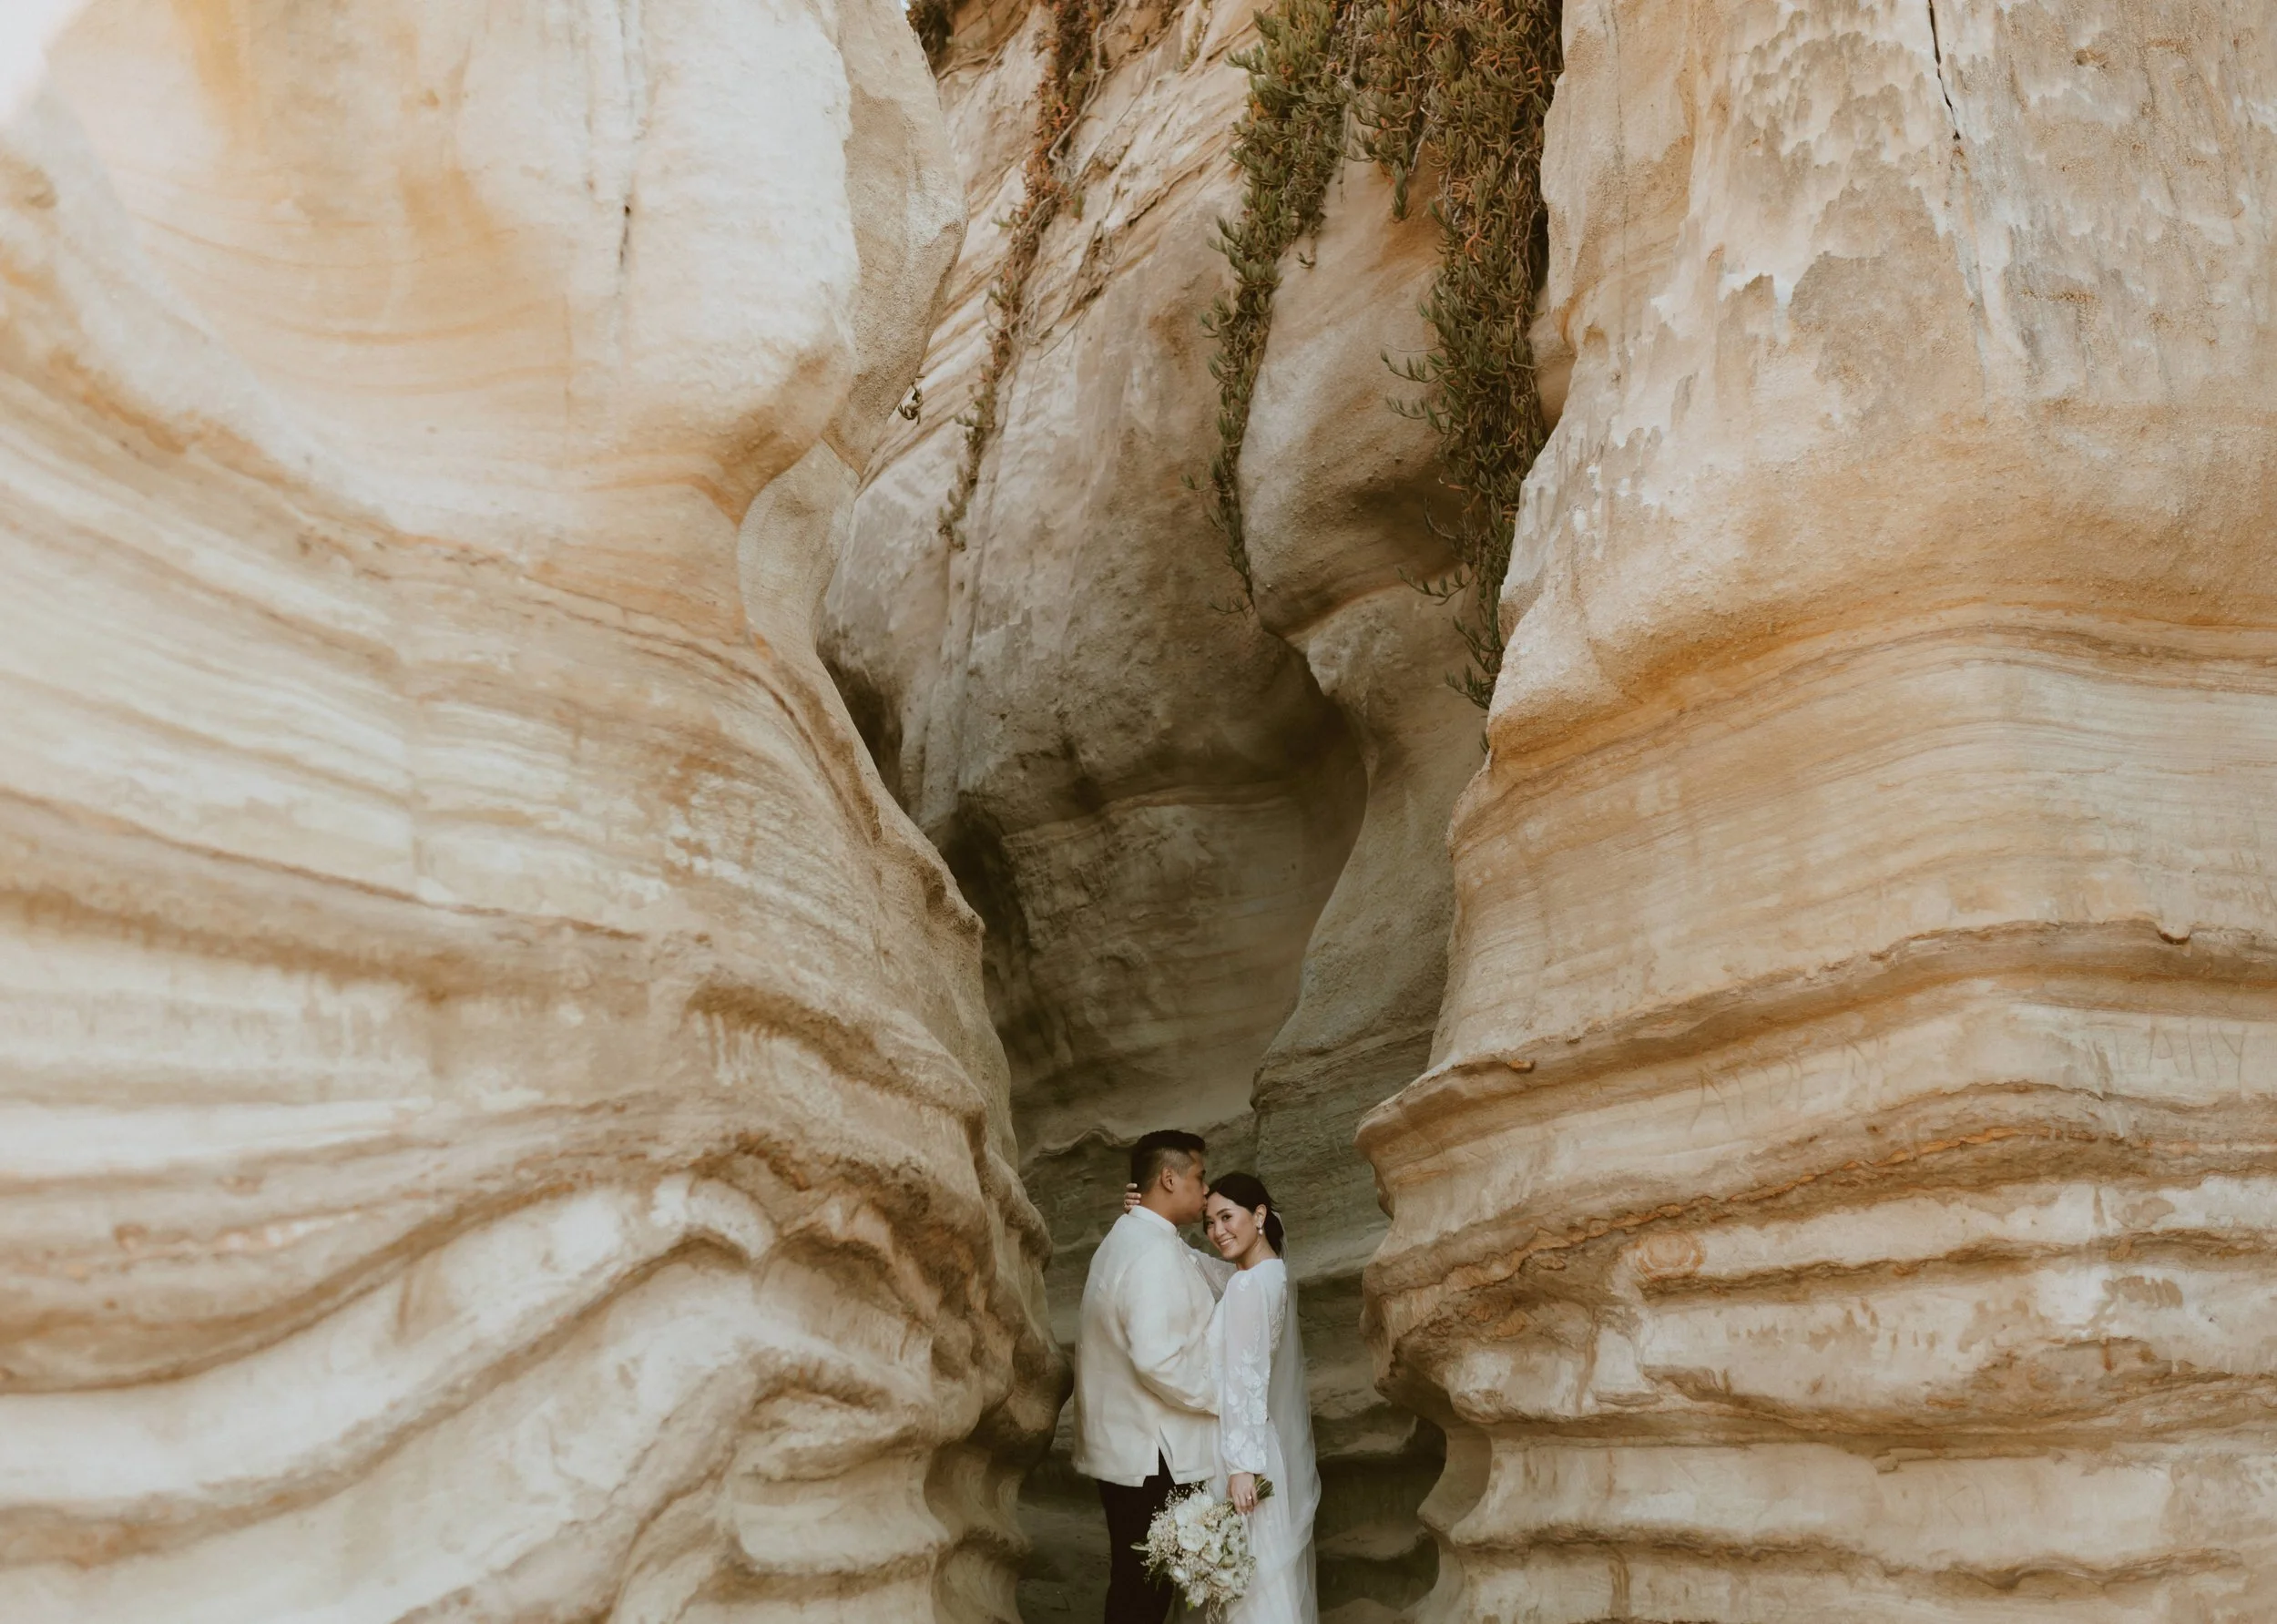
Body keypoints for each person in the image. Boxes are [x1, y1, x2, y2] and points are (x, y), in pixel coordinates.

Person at [1075, 1130, 1220, 1624]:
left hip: (1133, 1448)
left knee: (1140, 1587)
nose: (1205, 1191)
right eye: (1200, 1177)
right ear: (1168, 1177)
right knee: (1144, 1593)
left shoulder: (1136, 1237)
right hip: (1152, 1455)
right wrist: (1221, 1396)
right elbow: (1157, 1359)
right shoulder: (1151, 1252)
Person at [1203, 1172, 1319, 1624]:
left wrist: (1240, 1468)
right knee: (1261, 1589)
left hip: (1244, 1455)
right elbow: (1205, 1265)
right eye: (1209, 1223)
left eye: (1226, 1217)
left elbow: (1245, 1379)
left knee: (1249, 1594)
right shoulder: (1272, 1273)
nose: (1217, 1232)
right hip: (1258, 1446)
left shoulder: (1247, 1285)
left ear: (1259, 1215)